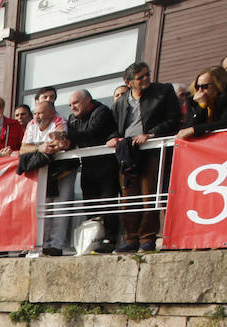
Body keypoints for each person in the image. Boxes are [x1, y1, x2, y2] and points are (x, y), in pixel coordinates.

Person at [108, 61, 181, 252]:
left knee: (150, 194)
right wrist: (113, 138)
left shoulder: (163, 91)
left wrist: (152, 134)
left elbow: (173, 119)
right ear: (129, 82)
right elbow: (114, 126)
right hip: (128, 150)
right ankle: (130, 239)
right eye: (140, 77)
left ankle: (147, 238)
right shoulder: (122, 100)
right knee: (128, 196)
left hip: (152, 148)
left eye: (147, 74)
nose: (146, 79)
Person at [66, 90, 119, 251]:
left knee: (107, 203)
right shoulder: (72, 119)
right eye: (70, 105)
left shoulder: (101, 111)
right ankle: (93, 238)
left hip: (106, 166)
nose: (72, 108)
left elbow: (91, 133)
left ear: (88, 100)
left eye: (75, 103)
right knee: (89, 204)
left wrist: (67, 134)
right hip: (87, 167)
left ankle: (110, 239)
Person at [20, 99, 75, 255]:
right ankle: (41, 243)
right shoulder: (31, 124)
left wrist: (52, 143)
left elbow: (59, 143)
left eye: (41, 113)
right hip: (42, 171)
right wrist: (40, 147)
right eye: (35, 113)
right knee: (42, 207)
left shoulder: (59, 121)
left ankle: (56, 244)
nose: (37, 116)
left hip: (62, 171)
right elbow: (23, 148)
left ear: (51, 113)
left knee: (59, 208)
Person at [177, 65, 227, 139]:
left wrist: (195, 130)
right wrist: (201, 106)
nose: (200, 91)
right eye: (197, 87)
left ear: (218, 84)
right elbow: (188, 127)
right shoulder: (193, 101)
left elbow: (223, 123)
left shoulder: (224, 99)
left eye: (205, 86)